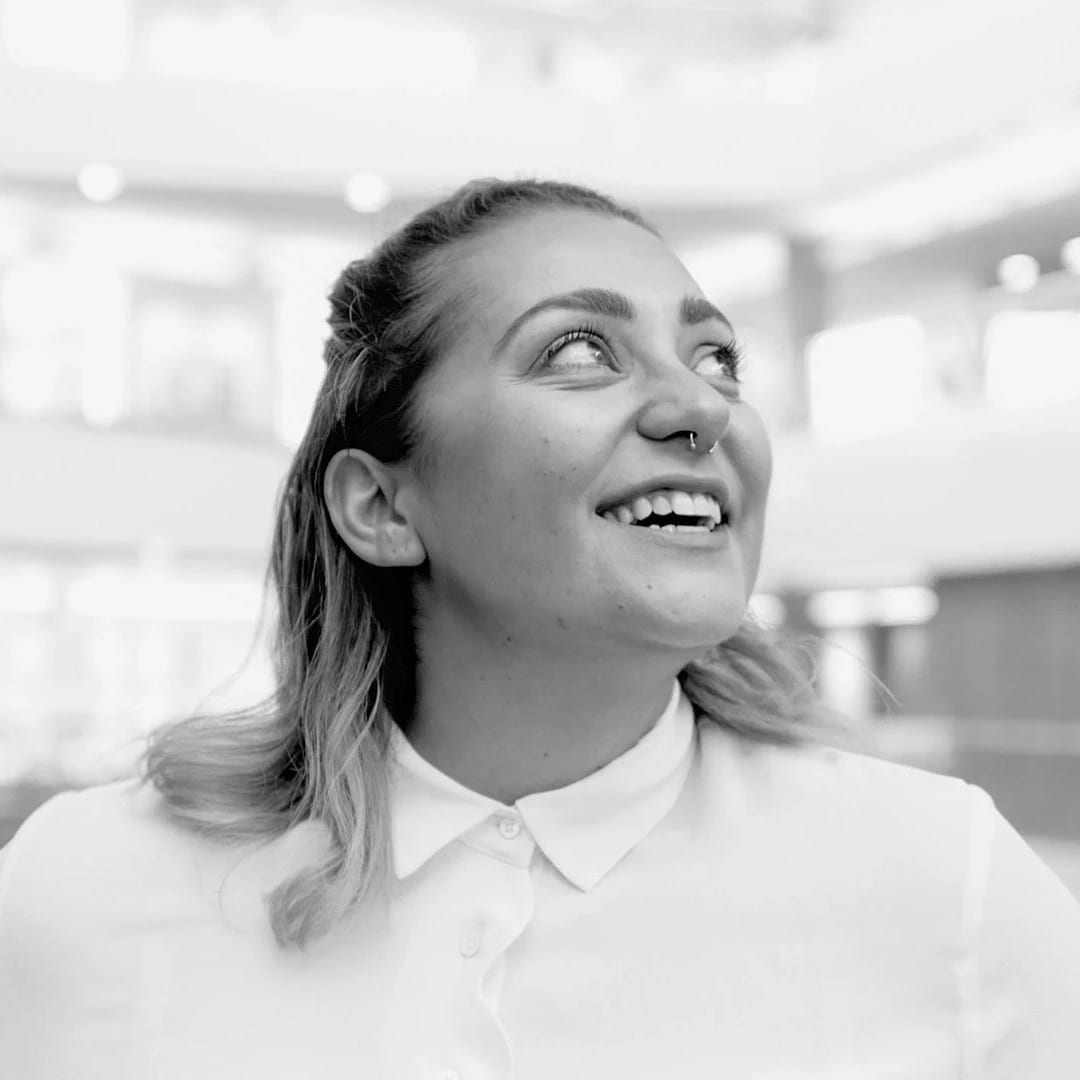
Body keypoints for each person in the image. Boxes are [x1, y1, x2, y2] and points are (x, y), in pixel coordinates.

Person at [2, 178, 1079, 1078]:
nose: (701, 408)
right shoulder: (88, 892)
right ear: (381, 506)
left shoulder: (949, 885)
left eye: (716, 360)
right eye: (578, 352)